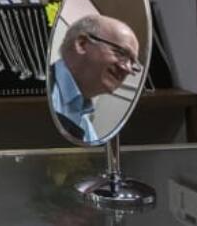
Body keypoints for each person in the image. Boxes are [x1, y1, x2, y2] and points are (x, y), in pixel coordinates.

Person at [50, 13, 142, 141]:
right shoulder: (42, 94)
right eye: (121, 53)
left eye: (132, 63)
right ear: (82, 44)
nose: (127, 68)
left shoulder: (84, 121)